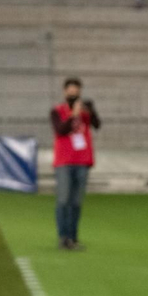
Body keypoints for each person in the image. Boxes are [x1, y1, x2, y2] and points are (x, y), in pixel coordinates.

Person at [50, 77, 100, 251]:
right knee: (63, 200)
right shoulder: (57, 111)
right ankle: (63, 237)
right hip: (64, 161)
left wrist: (91, 110)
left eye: (76, 90)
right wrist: (73, 115)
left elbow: (97, 125)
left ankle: (73, 237)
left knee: (76, 202)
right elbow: (61, 130)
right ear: (65, 92)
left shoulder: (85, 112)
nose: (73, 93)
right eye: (70, 90)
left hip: (82, 161)